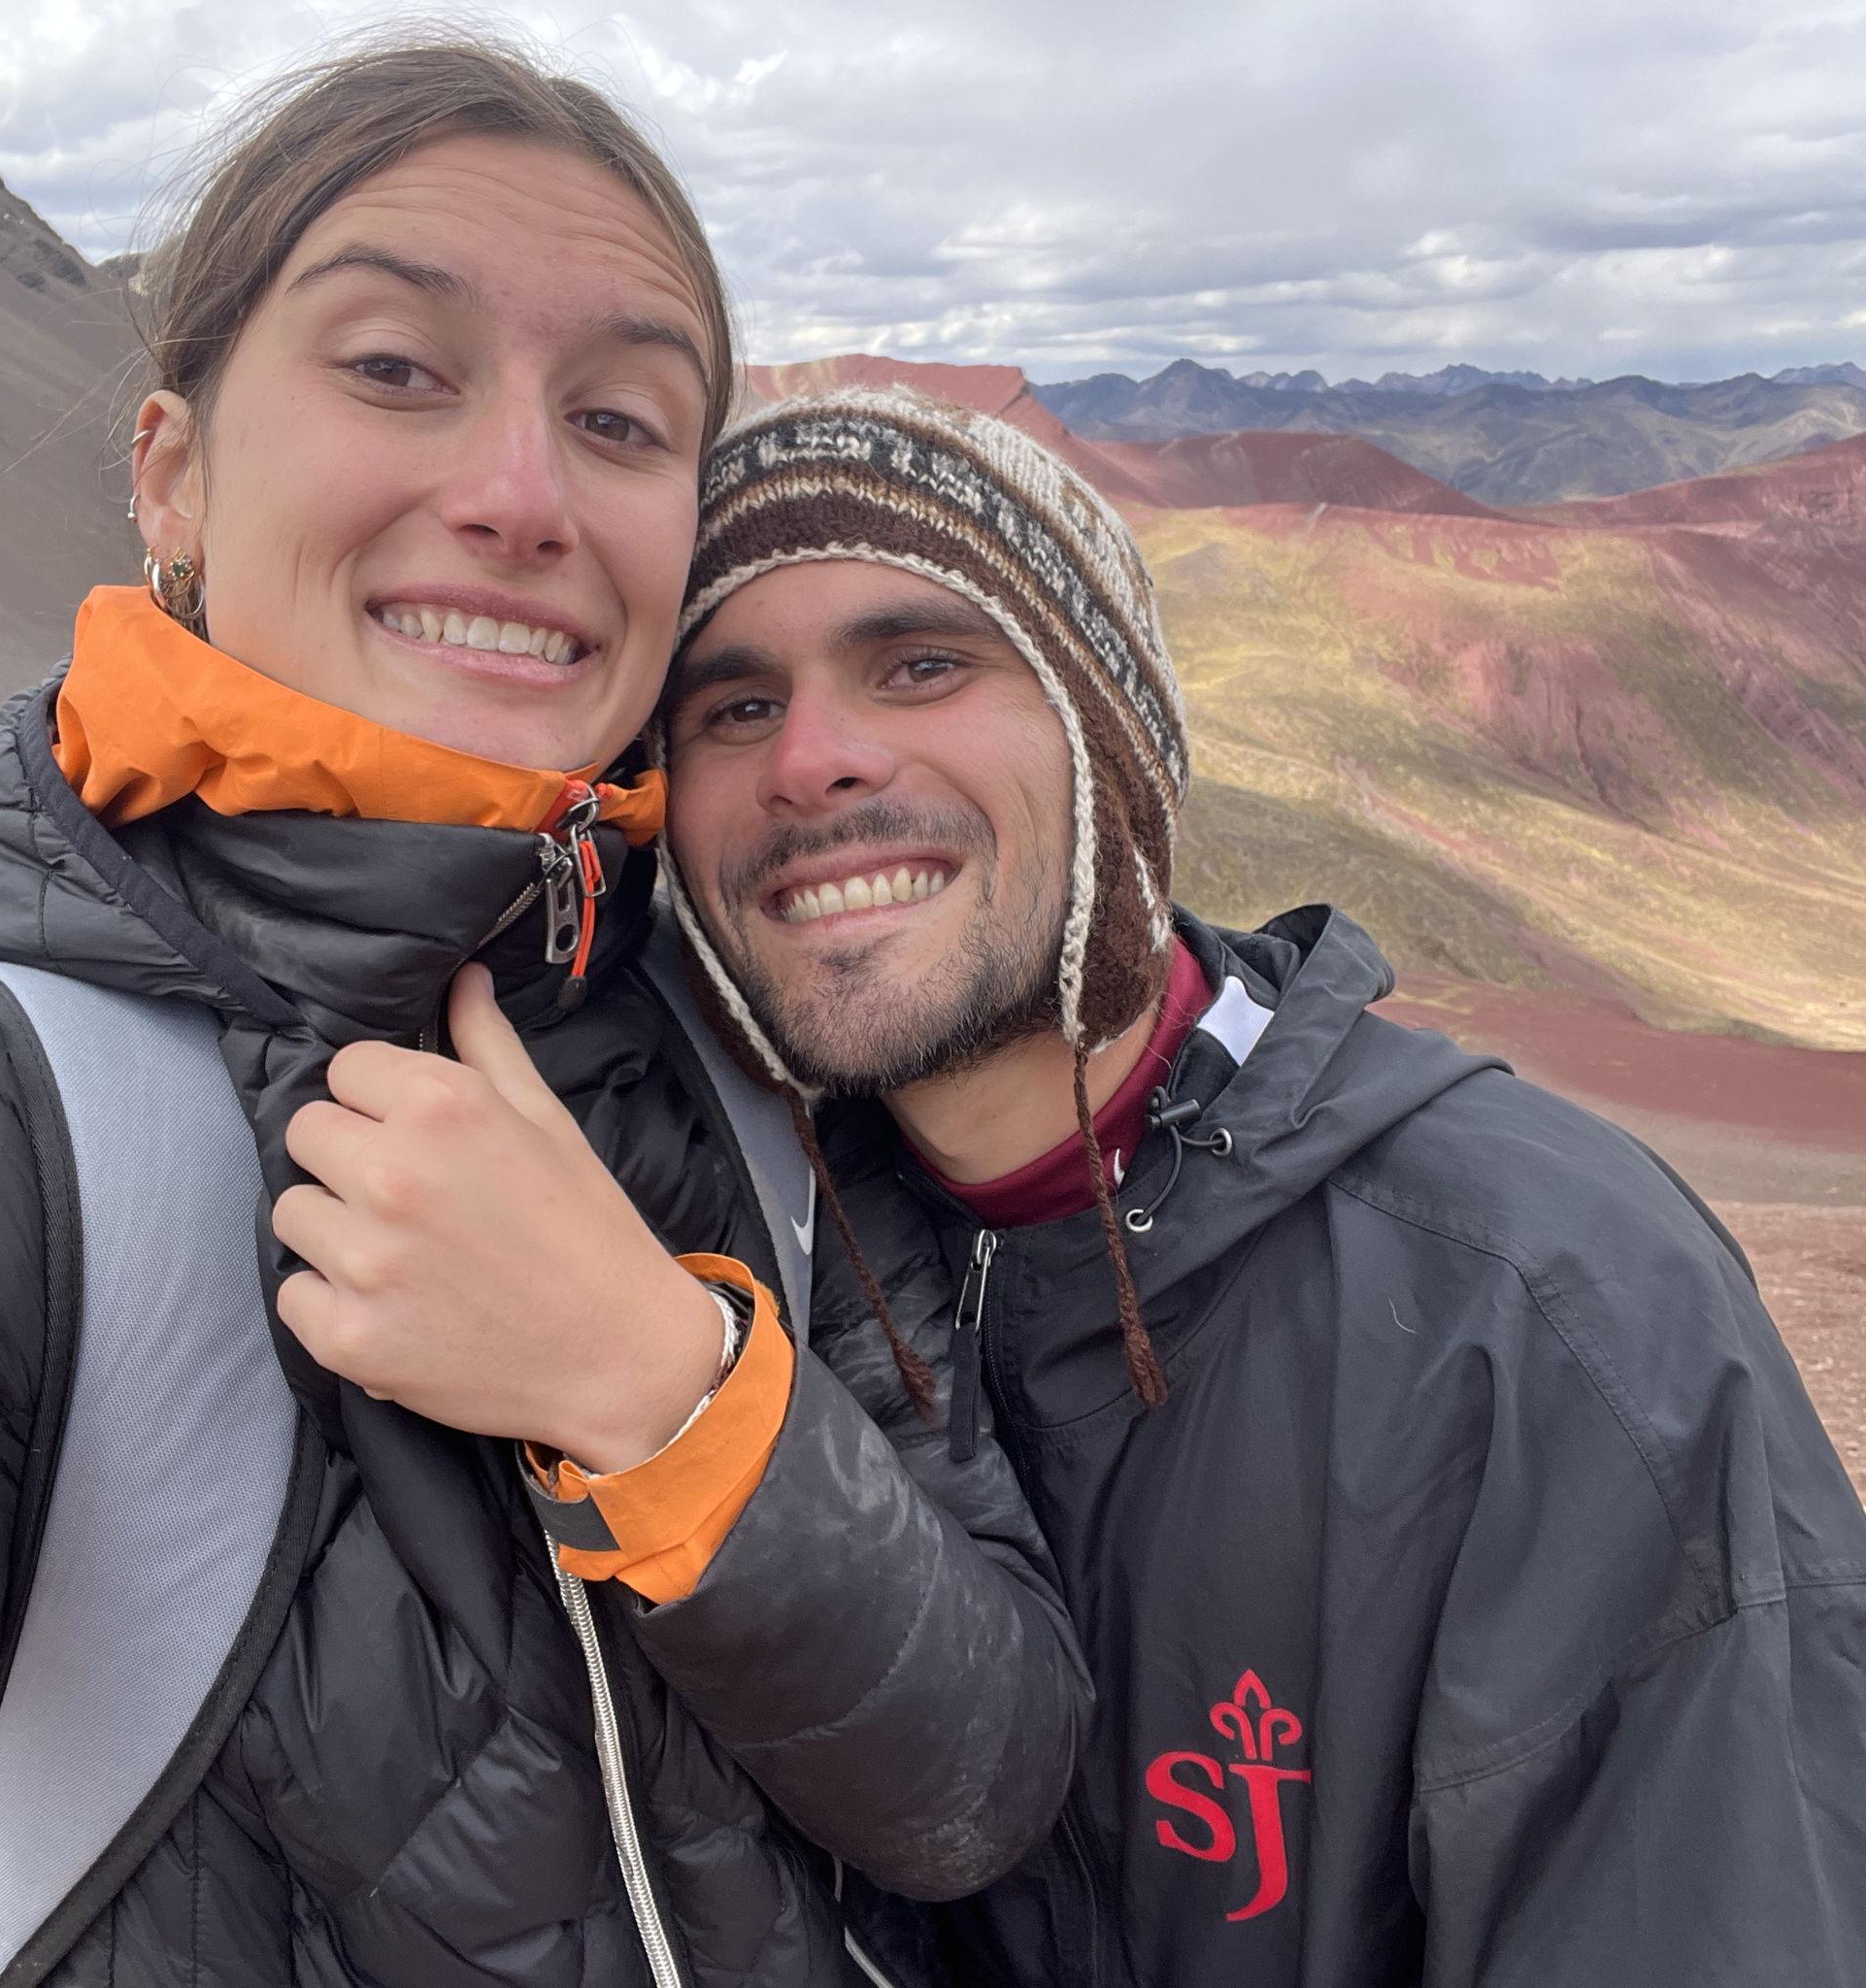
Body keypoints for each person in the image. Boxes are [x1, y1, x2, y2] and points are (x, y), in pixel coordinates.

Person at [0, 56, 1088, 1988]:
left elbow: (982, 1774)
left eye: (617, 419)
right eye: (393, 368)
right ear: (170, 472)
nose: (522, 496)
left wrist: (659, 1390)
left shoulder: (734, 1042)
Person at [657, 385, 1866, 1987]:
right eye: (732, 707)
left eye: (923, 663)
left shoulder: (1553, 1310)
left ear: (1114, 737)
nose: (810, 760)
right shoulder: (732, 1266)